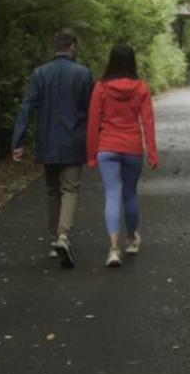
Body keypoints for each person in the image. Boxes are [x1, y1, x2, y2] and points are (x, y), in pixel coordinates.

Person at [12, 28, 95, 268]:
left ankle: (54, 239)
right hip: (73, 141)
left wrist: (17, 141)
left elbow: (27, 107)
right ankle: (63, 236)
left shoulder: (40, 74)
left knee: (52, 190)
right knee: (70, 189)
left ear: (55, 46)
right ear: (73, 47)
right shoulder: (83, 74)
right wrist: (95, 143)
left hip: (47, 141)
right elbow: (91, 112)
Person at [85, 42, 158, 268]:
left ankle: (114, 249)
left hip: (107, 148)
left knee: (112, 195)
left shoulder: (101, 88)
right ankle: (131, 239)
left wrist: (91, 154)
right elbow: (148, 121)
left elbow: (93, 123)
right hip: (132, 148)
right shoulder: (141, 88)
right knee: (130, 194)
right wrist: (152, 153)